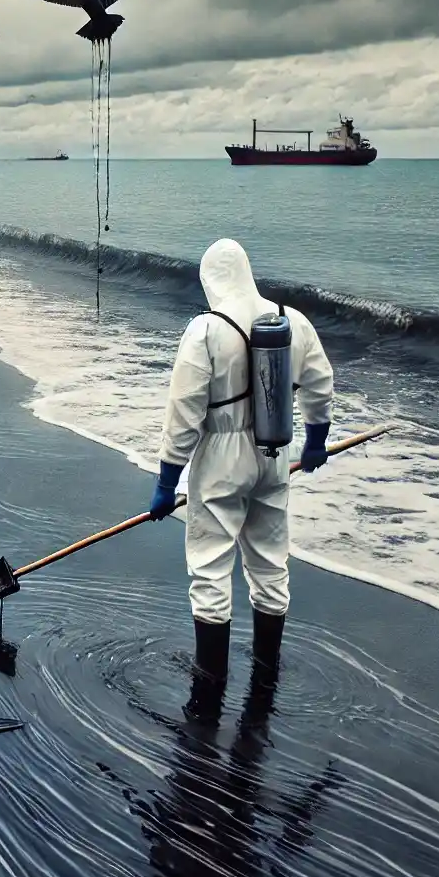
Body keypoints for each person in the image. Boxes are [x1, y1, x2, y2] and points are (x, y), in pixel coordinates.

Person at [147, 238, 333, 677]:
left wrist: (165, 482)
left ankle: (211, 678)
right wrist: (315, 441)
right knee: (270, 562)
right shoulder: (292, 320)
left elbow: (184, 414)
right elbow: (320, 383)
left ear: (211, 279)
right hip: (274, 451)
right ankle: (267, 667)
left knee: (211, 567)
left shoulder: (206, 329)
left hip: (221, 459)